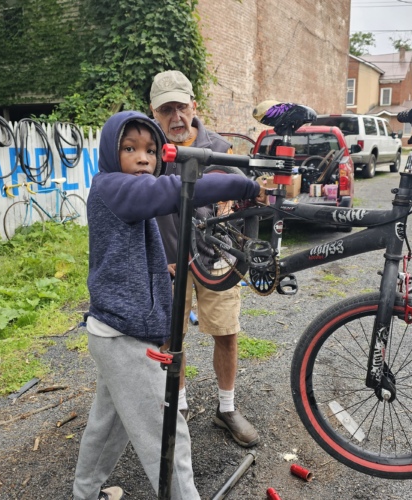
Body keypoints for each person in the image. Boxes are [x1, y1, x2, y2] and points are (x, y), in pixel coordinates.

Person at [72, 110, 265, 500]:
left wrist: (164, 272)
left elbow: (124, 254)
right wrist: (244, 185)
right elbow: (174, 190)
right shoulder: (111, 186)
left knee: (107, 426)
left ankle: (86, 492)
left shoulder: (124, 194)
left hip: (113, 330)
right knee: (167, 431)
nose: (143, 158)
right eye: (130, 149)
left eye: (150, 150)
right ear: (112, 154)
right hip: (125, 337)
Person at [150, 70, 260, 448]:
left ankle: (226, 408)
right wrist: (155, 257)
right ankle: (177, 407)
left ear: (193, 105)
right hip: (168, 263)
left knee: (226, 333)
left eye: (181, 106)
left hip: (216, 259)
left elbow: (246, 195)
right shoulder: (149, 150)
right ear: (154, 113)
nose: (176, 117)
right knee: (170, 339)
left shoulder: (217, 147)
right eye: (167, 110)